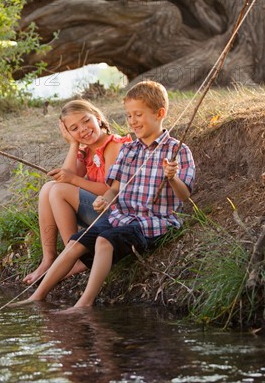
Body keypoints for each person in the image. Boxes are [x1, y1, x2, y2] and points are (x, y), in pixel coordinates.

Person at [14, 80, 196, 309]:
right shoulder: (130, 150)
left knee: (103, 239)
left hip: (153, 221)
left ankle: (83, 304)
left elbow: (185, 196)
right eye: (129, 116)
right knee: (75, 242)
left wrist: (172, 178)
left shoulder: (177, 150)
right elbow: (114, 189)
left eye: (137, 115)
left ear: (159, 113)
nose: (132, 121)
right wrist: (105, 199)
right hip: (122, 216)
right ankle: (36, 297)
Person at [23, 100, 132, 284]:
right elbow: (67, 176)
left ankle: (73, 256)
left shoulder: (113, 145)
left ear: (98, 118)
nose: (83, 129)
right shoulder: (87, 151)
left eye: (86, 121)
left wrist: (72, 180)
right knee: (48, 188)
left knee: (58, 190)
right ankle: (48, 259)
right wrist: (73, 144)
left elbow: (110, 190)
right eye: (74, 128)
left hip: (118, 214)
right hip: (99, 212)